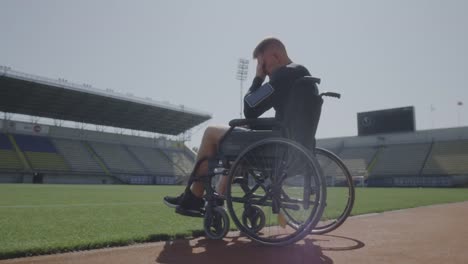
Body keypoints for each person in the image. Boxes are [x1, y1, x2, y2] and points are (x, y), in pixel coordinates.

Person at [164, 37, 312, 216]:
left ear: (276, 56)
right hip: (295, 145)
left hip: (278, 146)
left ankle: (194, 197)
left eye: (263, 64)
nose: (263, 70)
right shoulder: (303, 74)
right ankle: (219, 196)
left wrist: (258, 79)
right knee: (238, 145)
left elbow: (250, 107)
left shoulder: (284, 75)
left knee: (211, 132)